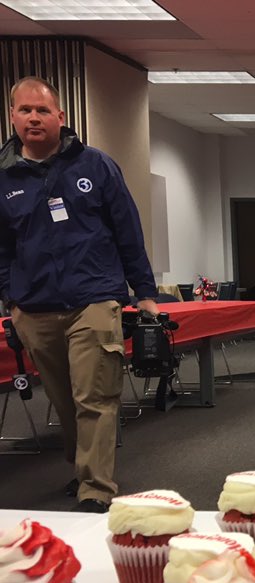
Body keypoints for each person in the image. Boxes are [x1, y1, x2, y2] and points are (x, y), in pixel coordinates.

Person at [0, 76, 158, 512]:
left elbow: (128, 230)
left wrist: (143, 292)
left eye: (43, 110)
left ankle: (96, 488)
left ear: (60, 117)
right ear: (12, 116)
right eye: (25, 110)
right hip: (34, 307)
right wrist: (10, 299)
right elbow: (2, 248)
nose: (34, 117)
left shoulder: (95, 165)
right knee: (64, 398)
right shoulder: (4, 176)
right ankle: (83, 467)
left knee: (96, 396)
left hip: (94, 298)